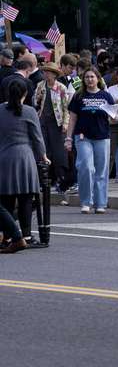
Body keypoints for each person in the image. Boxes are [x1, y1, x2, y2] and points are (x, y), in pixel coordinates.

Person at [0, 79, 49, 249]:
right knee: (26, 199)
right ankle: (26, 235)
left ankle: (7, 236)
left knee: (6, 199)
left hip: (4, 157)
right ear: (25, 94)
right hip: (25, 157)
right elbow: (37, 137)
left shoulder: (0, 110)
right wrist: (43, 156)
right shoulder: (29, 111)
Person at [65, 67, 114, 214]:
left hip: (102, 136)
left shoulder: (106, 96)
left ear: (98, 79)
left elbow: (112, 117)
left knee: (101, 170)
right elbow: (72, 118)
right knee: (86, 167)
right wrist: (68, 138)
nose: (89, 80)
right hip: (82, 136)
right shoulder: (78, 97)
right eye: (87, 77)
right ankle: (86, 201)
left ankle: (100, 203)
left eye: (92, 77)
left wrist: (115, 116)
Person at [34, 62, 73, 195]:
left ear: (55, 74)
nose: (46, 74)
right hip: (43, 121)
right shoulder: (40, 85)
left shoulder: (61, 87)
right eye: (45, 72)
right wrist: (38, 98)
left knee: (59, 153)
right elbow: (35, 102)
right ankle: (44, 180)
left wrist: (66, 123)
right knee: (44, 150)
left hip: (57, 123)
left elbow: (66, 107)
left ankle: (60, 180)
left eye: (49, 72)